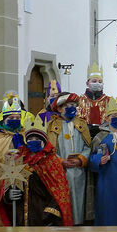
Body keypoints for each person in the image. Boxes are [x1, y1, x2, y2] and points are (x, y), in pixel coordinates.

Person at [0, 118, 72, 227]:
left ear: (44, 141)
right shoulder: (19, 159)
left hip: (42, 215)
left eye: (37, 138)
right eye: (30, 138)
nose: (33, 141)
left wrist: (49, 214)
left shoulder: (51, 162)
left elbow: (60, 191)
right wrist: (8, 195)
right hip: (20, 215)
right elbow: (8, 184)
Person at [48, 92, 91, 224]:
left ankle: (79, 225)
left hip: (79, 171)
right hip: (62, 171)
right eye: (68, 106)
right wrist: (61, 161)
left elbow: (88, 146)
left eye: (73, 105)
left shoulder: (82, 125)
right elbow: (49, 149)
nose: (72, 108)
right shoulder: (53, 125)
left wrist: (81, 159)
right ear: (60, 108)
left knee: (80, 199)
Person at [78, 63, 112, 138]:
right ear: (87, 83)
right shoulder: (80, 100)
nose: (97, 83)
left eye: (100, 82)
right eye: (94, 81)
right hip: (83, 135)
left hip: (104, 135)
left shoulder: (109, 100)